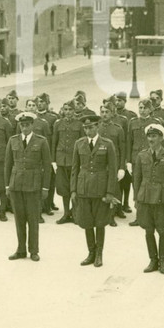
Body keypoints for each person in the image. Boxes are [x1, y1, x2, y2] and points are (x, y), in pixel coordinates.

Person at [70, 114, 120, 267]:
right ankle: (90, 253)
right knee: (87, 222)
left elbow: (112, 169)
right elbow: (74, 168)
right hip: (83, 188)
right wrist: (73, 190)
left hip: (100, 188)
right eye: (85, 127)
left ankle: (99, 254)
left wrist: (110, 192)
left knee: (100, 222)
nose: (88, 130)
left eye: (91, 127)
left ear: (97, 127)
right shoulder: (79, 144)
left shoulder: (107, 144)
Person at [3, 112, 51, 262]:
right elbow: (8, 164)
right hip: (16, 185)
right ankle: (21, 249)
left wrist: (45, 188)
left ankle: (34, 250)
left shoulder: (41, 141)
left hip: (33, 185)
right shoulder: (13, 140)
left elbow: (47, 166)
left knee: (33, 219)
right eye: (22, 125)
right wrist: (7, 185)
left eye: (27, 125)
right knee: (19, 219)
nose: (24, 128)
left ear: (32, 125)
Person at [134, 124, 164, 274]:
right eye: (149, 136)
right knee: (148, 230)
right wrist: (136, 198)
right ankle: (152, 260)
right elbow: (137, 178)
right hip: (145, 197)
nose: (151, 139)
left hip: (162, 198)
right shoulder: (141, 156)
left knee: (163, 231)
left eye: (154, 136)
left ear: (161, 138)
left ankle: (163, 261)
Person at [51, 102, 84, 224]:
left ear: (74, 110)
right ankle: (66, 213)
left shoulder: (79, 124)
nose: (68, 112)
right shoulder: (58, 124)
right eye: (66, 109)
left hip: (74, 161)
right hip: (61, 160)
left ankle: (75, 213)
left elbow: (82, 142)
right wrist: (53, 160)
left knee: (75, 188)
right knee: (64, 188)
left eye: (70, 109)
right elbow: (54, 142)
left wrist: (81, 160)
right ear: (63, 110)